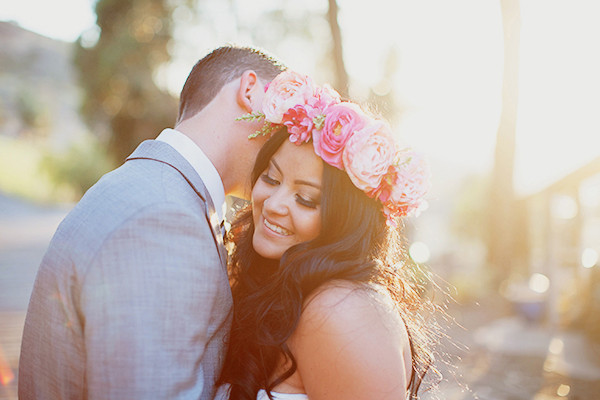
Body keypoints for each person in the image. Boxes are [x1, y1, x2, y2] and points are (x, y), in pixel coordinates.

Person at [18, 45, 285, 399]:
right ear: (250, 91)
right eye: (283, 113)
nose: (287, 136)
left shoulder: (159, 194)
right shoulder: (162, 219)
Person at [216, 71, 435, 399]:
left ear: (343, 221)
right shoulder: (273, 284)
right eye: (271, 179)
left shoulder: (343, 311)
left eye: (306, 199)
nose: (274, 205)